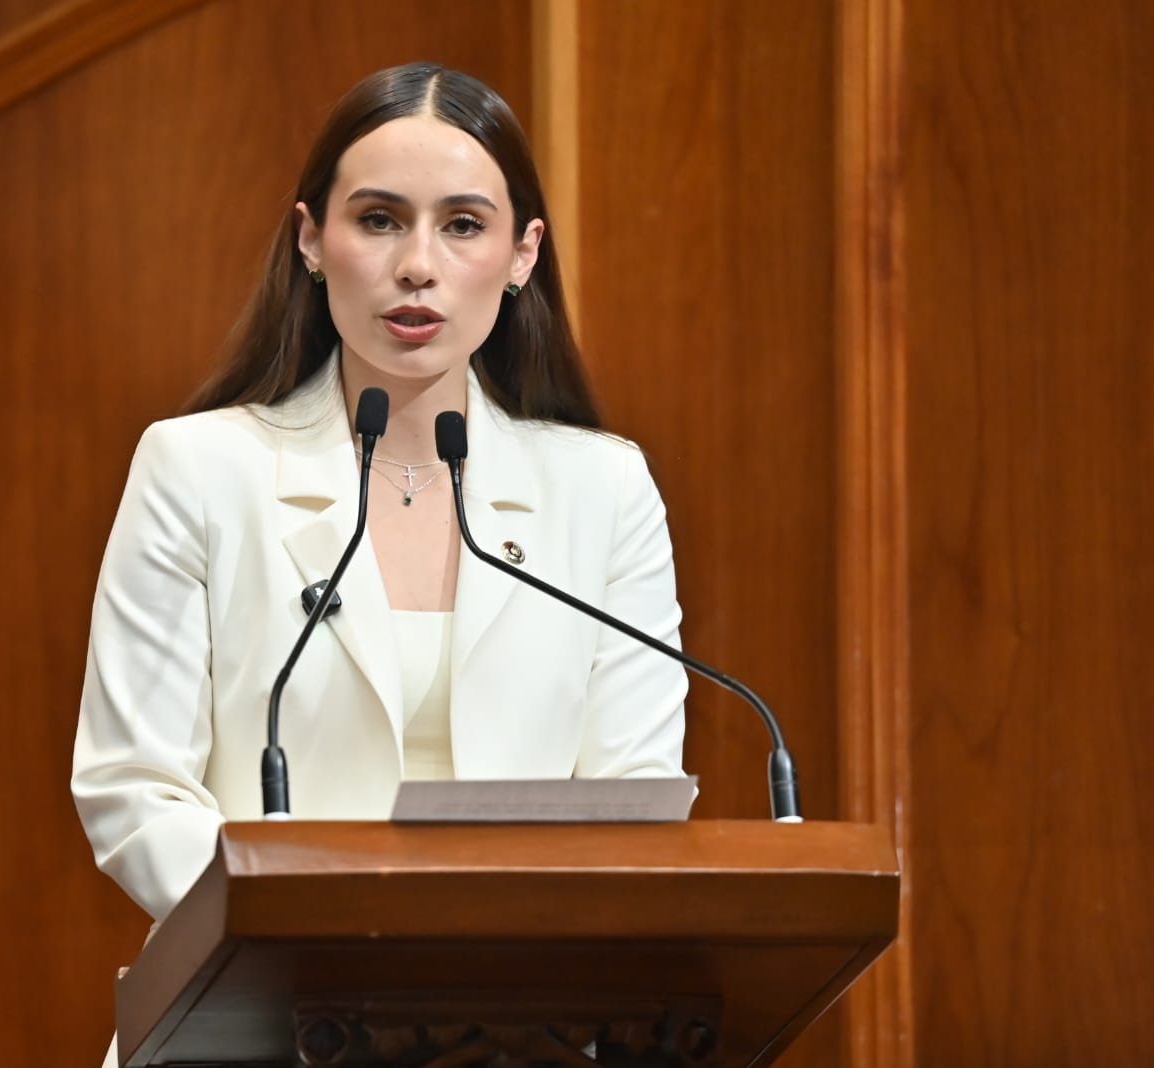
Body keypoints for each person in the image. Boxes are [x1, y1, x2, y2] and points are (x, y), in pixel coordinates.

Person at [72, 62, 690, 1058]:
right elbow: (135, 787)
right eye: (378, 220)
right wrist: (320, 957)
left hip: (521, 1032)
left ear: (522, 253)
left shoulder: (603, 490)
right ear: (312, 239)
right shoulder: (198, 468)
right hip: (257, 1019)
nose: (417, 265)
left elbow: (630, 804)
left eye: (462, 224)